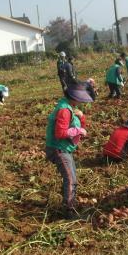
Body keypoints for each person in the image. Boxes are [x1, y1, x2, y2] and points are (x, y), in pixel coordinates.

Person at [45, 83, 93, 217]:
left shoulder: (69, 107)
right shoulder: (64, 111)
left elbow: (81, 126)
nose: (81, 102)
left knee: (72, 178)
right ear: (74, 97)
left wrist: (81, 117)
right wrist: (78, 131)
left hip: (65, 148)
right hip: (58, 149)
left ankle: (68, 204)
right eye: (80, 99)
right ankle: (68, 210)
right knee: (70, 179)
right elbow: (60, 133)